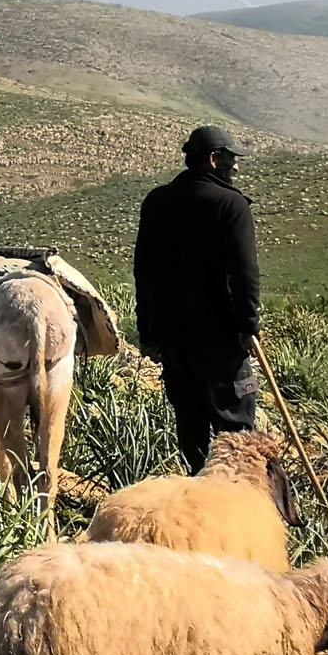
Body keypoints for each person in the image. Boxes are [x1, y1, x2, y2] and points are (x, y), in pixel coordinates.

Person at [132, 124, 260, 472]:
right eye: (232, 159)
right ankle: (234, 508)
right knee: (235, 430)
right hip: (219, 340)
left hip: (174, 342)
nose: (237, 167)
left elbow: (143, 272)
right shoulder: (231, 205)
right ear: (214, 159)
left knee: (191, 429)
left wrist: (148, 334)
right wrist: (248, 326)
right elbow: (244, 273)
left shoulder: (157, 201)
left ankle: (198, 500)